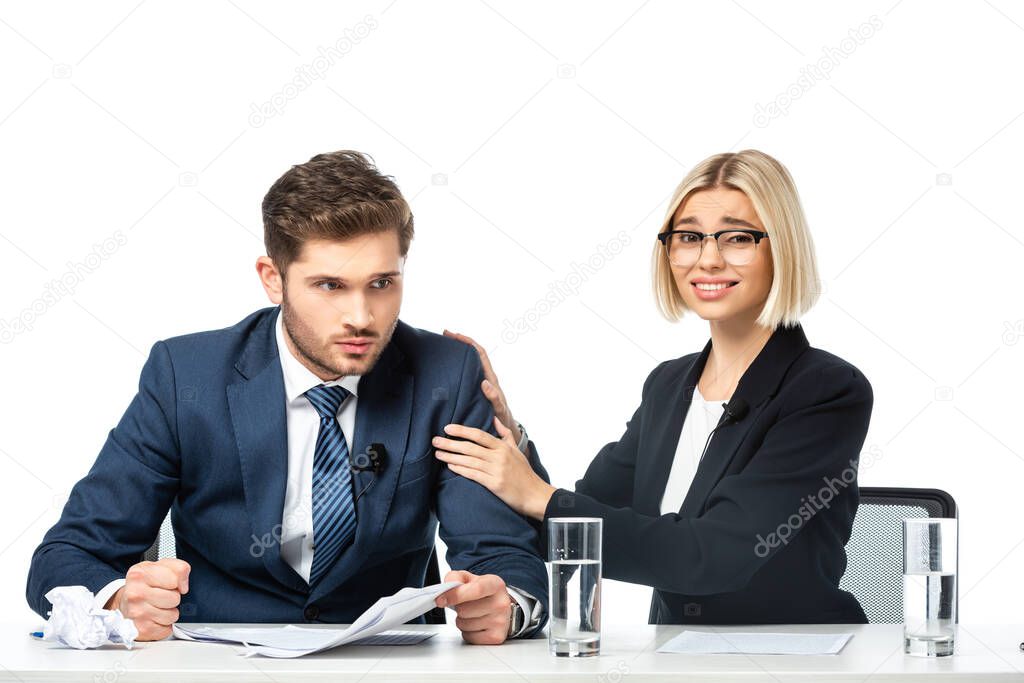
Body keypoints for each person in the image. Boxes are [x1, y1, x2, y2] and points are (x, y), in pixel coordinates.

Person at [27, 151, 547, 644]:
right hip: (214, 663)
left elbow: (502, 552)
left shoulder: (446, 373)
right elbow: (67, 555)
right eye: (329, 286)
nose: (361, 317)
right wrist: (117, 600)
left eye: (381, 283)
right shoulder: (186, 375)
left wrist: (508, 604)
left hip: (389, 658)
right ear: (273, 279)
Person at [434, 149, 873, 624]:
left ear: (781, 247)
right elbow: (574, 521)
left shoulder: (826, 390)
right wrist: (510, 437)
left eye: (738, 237)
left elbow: (712, 557)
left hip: (796, 662)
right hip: (672, 659)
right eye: (688, 237)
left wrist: (537, 496)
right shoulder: (669, 385)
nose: (708, 259)